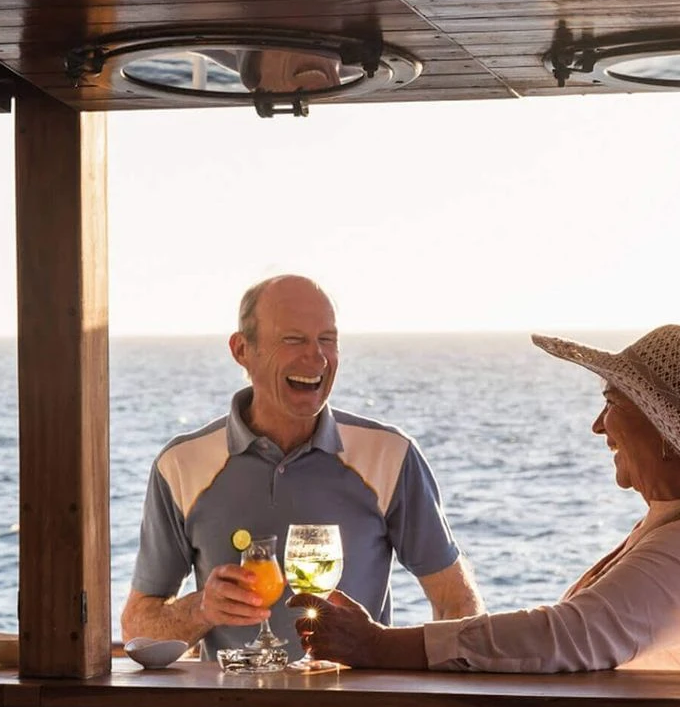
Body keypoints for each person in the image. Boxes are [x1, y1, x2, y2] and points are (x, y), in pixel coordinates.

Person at [293, 325, 680, 672]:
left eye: (612, 403)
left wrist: (379, 646)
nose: (599, 426)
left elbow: (567, 636)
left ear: (662, 430)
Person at [121, 275, 484, 662]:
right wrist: (201, 610)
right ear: (242, 350)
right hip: (230, 701)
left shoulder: (390, 455)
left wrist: (418, 689)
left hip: (359, 702)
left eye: (327, 339)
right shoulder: (181, 464)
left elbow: (457, 605)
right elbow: (136, 629)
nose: (317, 357)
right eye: (293, 340)